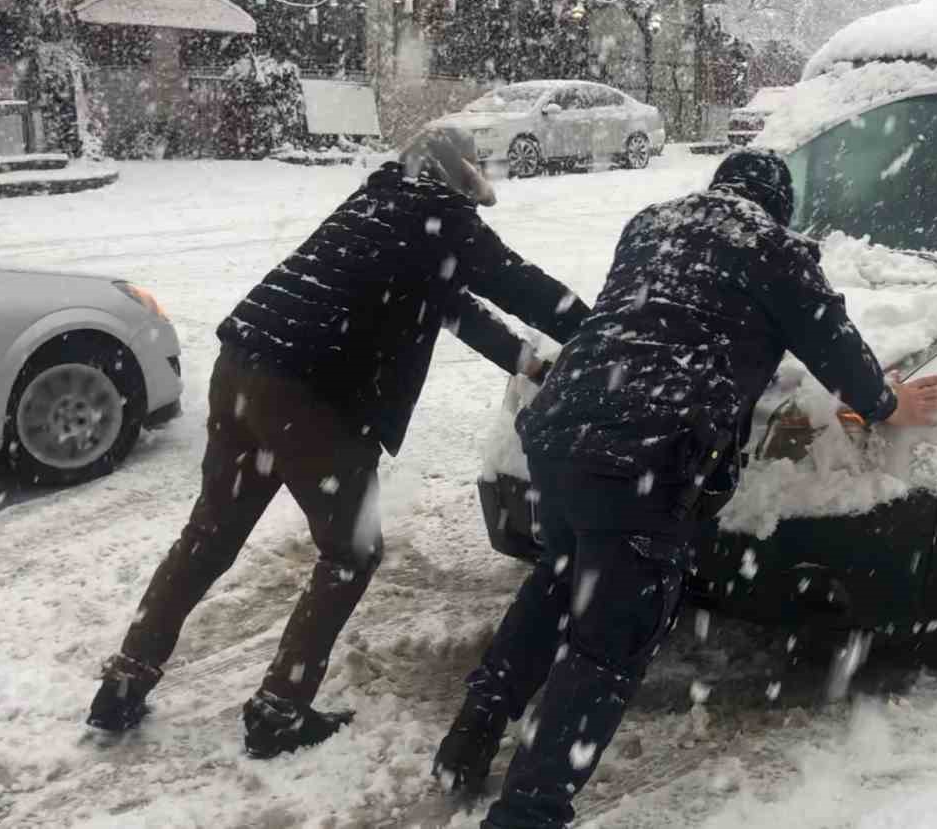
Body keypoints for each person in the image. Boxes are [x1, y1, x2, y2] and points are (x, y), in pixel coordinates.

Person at [433, 149, 937, 828]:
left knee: (557, 584)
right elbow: (834, 349)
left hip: (561, 430)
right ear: (778, 204)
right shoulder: (773, 246)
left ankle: (468, 742)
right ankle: (528, 815)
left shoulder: (653, 225)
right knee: (606, 646)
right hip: (643, 453)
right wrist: (887, 404)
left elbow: (660, 319)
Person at [86, 127, 592, 759]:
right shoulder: (442, 220)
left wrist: (534, 365)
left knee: (210, 534)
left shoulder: (374, 205)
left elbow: (455, 309)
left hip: (242, 368)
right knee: (351, 552)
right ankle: (279, 710)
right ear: (456, 183)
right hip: (313, 396)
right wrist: (603, 329)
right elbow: (523, 287)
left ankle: (125, 680)